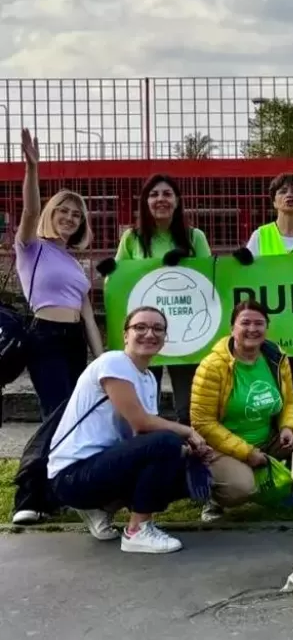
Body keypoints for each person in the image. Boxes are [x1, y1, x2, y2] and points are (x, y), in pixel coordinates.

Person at [46, 306, 213, 554]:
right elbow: (142, 423)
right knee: (167, 442)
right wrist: (187, 432)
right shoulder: (114, 362)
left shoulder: (148, 378)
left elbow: (143, 437)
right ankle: (137, 531)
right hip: (72, 475)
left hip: (101, 465)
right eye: (140, 327)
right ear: (126, 335)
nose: (150, 334)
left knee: (180, 461)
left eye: (158, 329)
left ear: (164, 338)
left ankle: (101, 508)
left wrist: (188, 451)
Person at [190, 300, 293, 521]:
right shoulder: (212, 367)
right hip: (222, 448)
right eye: (245, 323)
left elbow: (289, 402)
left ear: (267, 327)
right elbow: (202, 423)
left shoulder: (276, 357)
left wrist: (288, 427)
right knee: (241, 488)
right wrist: (247, 453)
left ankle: (289, 486)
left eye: (259, 323)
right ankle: (214, 499)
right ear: (232, 328)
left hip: (268, 438)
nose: (252, 329)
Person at [13, 128, 105, 418]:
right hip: (46, 336)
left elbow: (89, 318)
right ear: (50, 213)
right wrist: (32, 169)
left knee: (75, 414)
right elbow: (30, 212)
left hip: (75, 339)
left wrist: (102, 362)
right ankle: (43, 452)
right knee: (56, 413)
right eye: (62, 211)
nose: (69, 218)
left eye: (76, 215)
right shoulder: (31, 247)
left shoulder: (74, 265)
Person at [114, 174, 212, 425]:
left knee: (189, 407)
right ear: (145, 202)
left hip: (186, 334)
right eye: (154, 194)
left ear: (177, 201)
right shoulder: (132, 238)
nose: (161, 199)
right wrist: (109, 273)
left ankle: (190, 446)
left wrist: (185, 264)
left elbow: (210, 279)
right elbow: (117, 282)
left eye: (167, 194)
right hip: (146, 333)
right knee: (145, 405)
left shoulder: (195, 237)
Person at [240, 172, 293, 419]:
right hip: (271, 331)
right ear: (274, 201)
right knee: (270, 391)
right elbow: (246, 279)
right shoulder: (260, 236)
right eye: (283, 191)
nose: (289, 195)